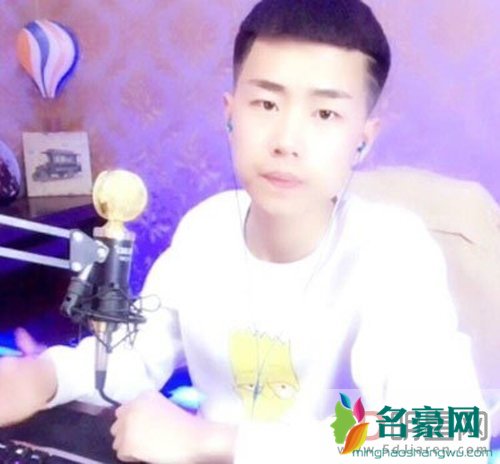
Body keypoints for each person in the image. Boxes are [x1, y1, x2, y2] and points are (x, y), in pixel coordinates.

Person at [0, 0, 487, 462]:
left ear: (363, 139)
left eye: (325, 113)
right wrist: (44, 376)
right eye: (266, 104)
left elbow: (450, 432)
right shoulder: (206, 229)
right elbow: (134, 358)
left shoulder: (393, 250)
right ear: (230, 115)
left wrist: (215, 442)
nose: (287, 141)